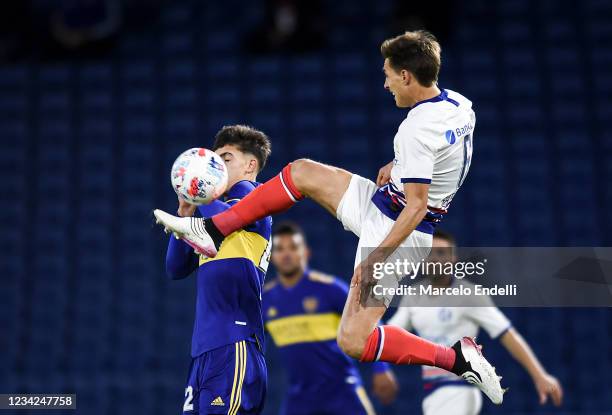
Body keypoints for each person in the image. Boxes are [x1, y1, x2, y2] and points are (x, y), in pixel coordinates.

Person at [154, 30, 505, 404]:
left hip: (400, 232)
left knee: (353, 340)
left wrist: (376, 258)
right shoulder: (458, 105)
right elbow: (450, 154)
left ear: (406, 75)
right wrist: (401, 166)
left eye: (387, 74)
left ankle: (456, 358)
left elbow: (417, 206)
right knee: (302, 171)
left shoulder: (415, 130)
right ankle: (211, 229)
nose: (385, 83)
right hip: (383, 202)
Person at [387, 230, 563, 415]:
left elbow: (507, 333)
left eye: (441, 253)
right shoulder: (413, 296)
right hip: (432, 391)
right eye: (430, 253)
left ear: (453, 258)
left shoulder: (470, 295)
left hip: (460, 389)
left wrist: (539, 375)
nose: (435, 259)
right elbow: (389, 335)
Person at [164, 125, 273, 415]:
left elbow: (231, 217)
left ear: (251, 165)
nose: (214, 167)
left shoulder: (253, 196)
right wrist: (185, 214)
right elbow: (175, 268)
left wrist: (204, 195)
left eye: (224, 159)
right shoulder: (212, 214)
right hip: (204, 349)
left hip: (234, 343)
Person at [264, 222, 398, 415]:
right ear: (271, 256)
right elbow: (255, 344)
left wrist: (381, 369)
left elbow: (368, 320)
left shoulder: (330, 289)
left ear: (306, 253)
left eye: (293, 247)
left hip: (343, 390)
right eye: (279, 249)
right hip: (299, 397)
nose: (286, 254)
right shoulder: (267, 300)